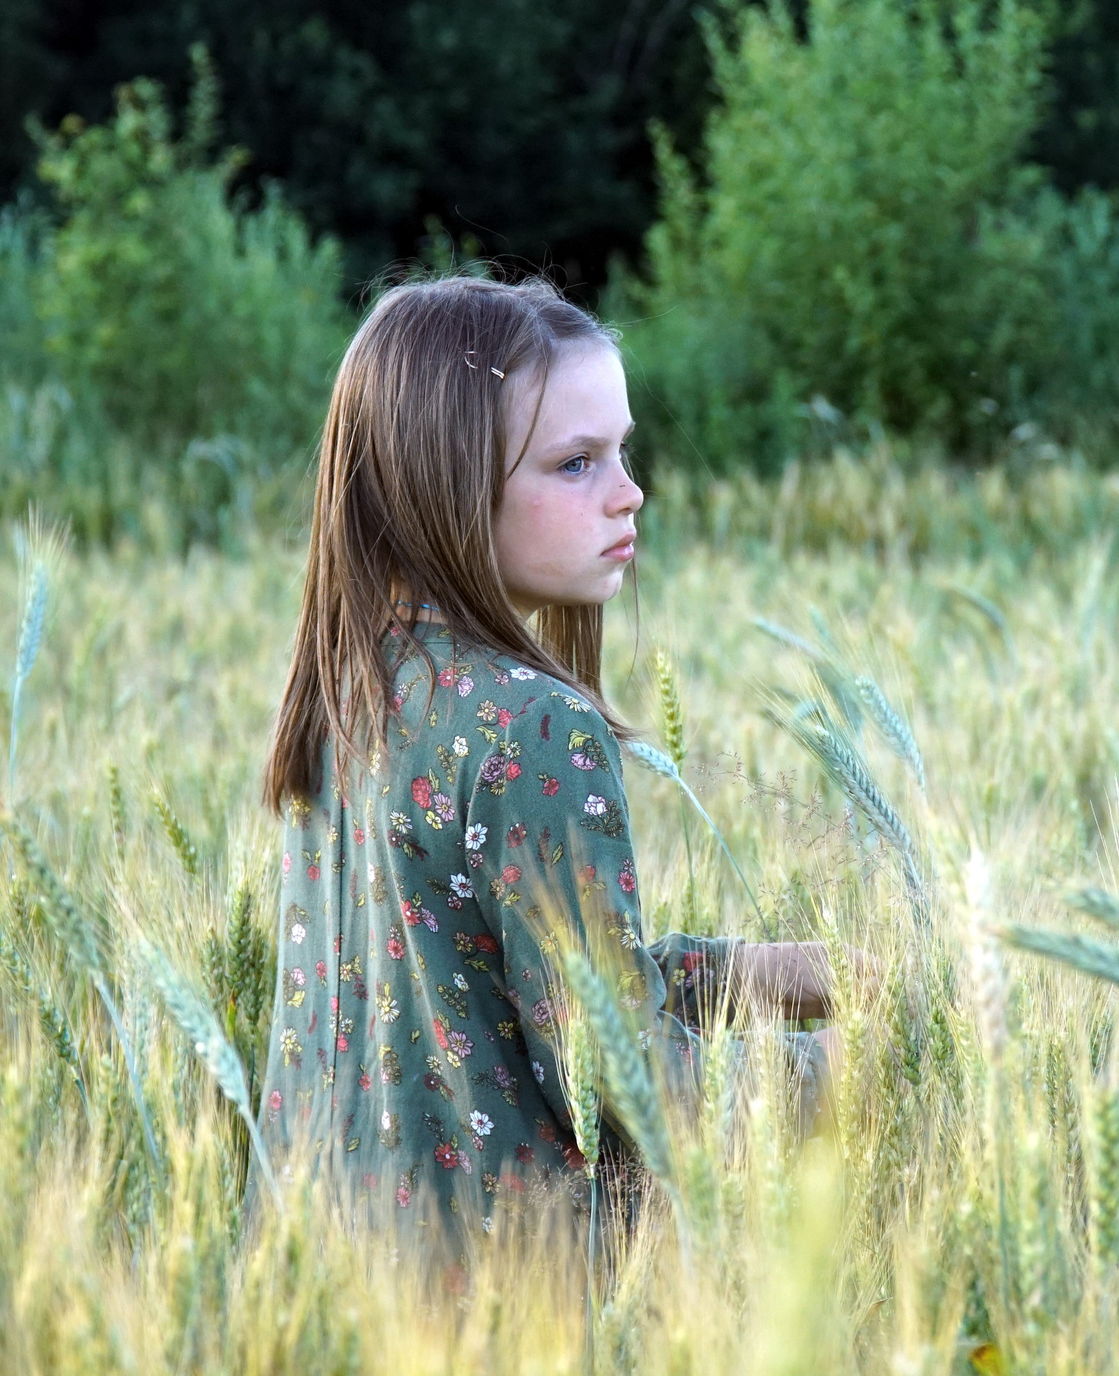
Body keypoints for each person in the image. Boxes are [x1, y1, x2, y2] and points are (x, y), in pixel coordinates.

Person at [255, 274, 838, 1245]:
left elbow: (473, 974)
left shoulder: (353, 687)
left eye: (623, 452)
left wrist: (759, 972)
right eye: (575, 464)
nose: (629, 492)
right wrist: (868, 1070)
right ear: (443, 482)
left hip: (335, 1286)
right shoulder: (532, 729)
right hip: (512, 1314)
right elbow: (633, 1091)